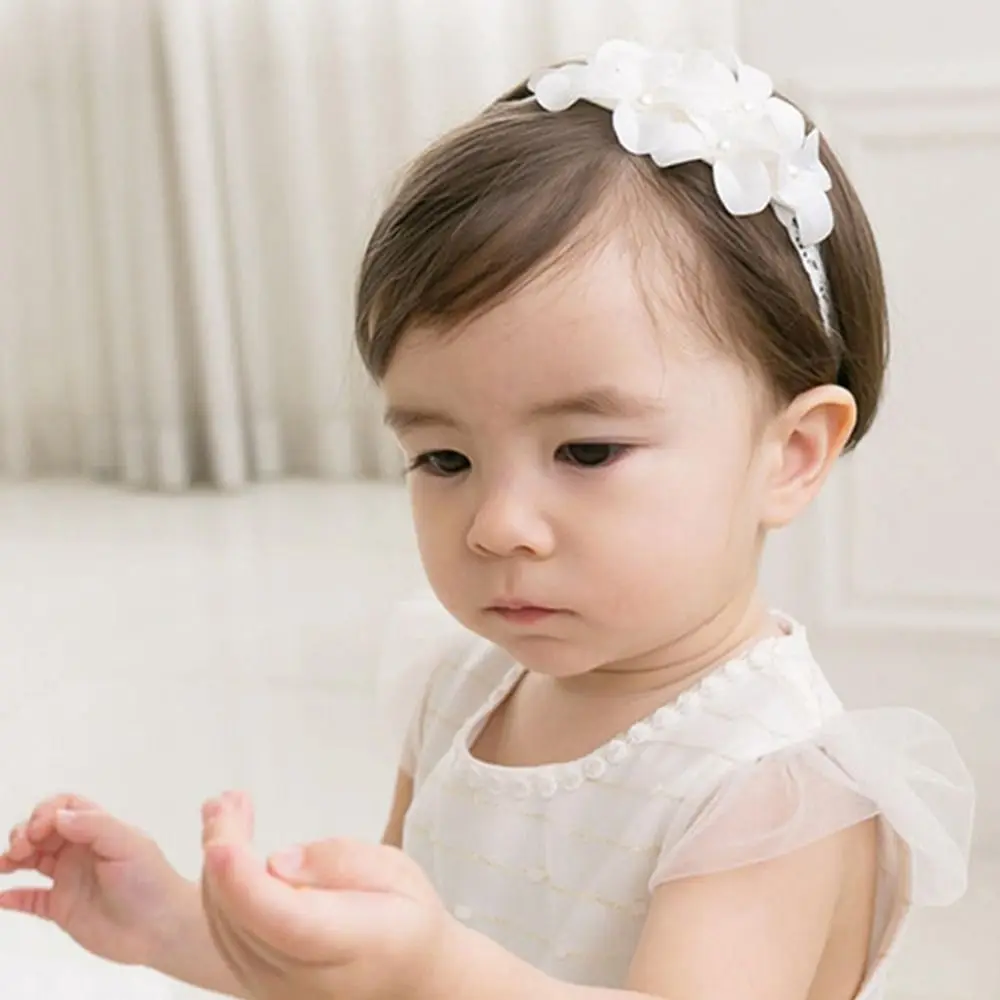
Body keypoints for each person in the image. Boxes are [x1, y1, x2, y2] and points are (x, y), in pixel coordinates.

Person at [0, 39, 974, 1000]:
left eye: (586, 452)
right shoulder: (462, 685)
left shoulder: (769, 788)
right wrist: (171, 921)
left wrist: (430, 969)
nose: (497, 525)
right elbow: (365, 977)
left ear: (790, 455)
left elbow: (417, 971)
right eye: (444, 458)